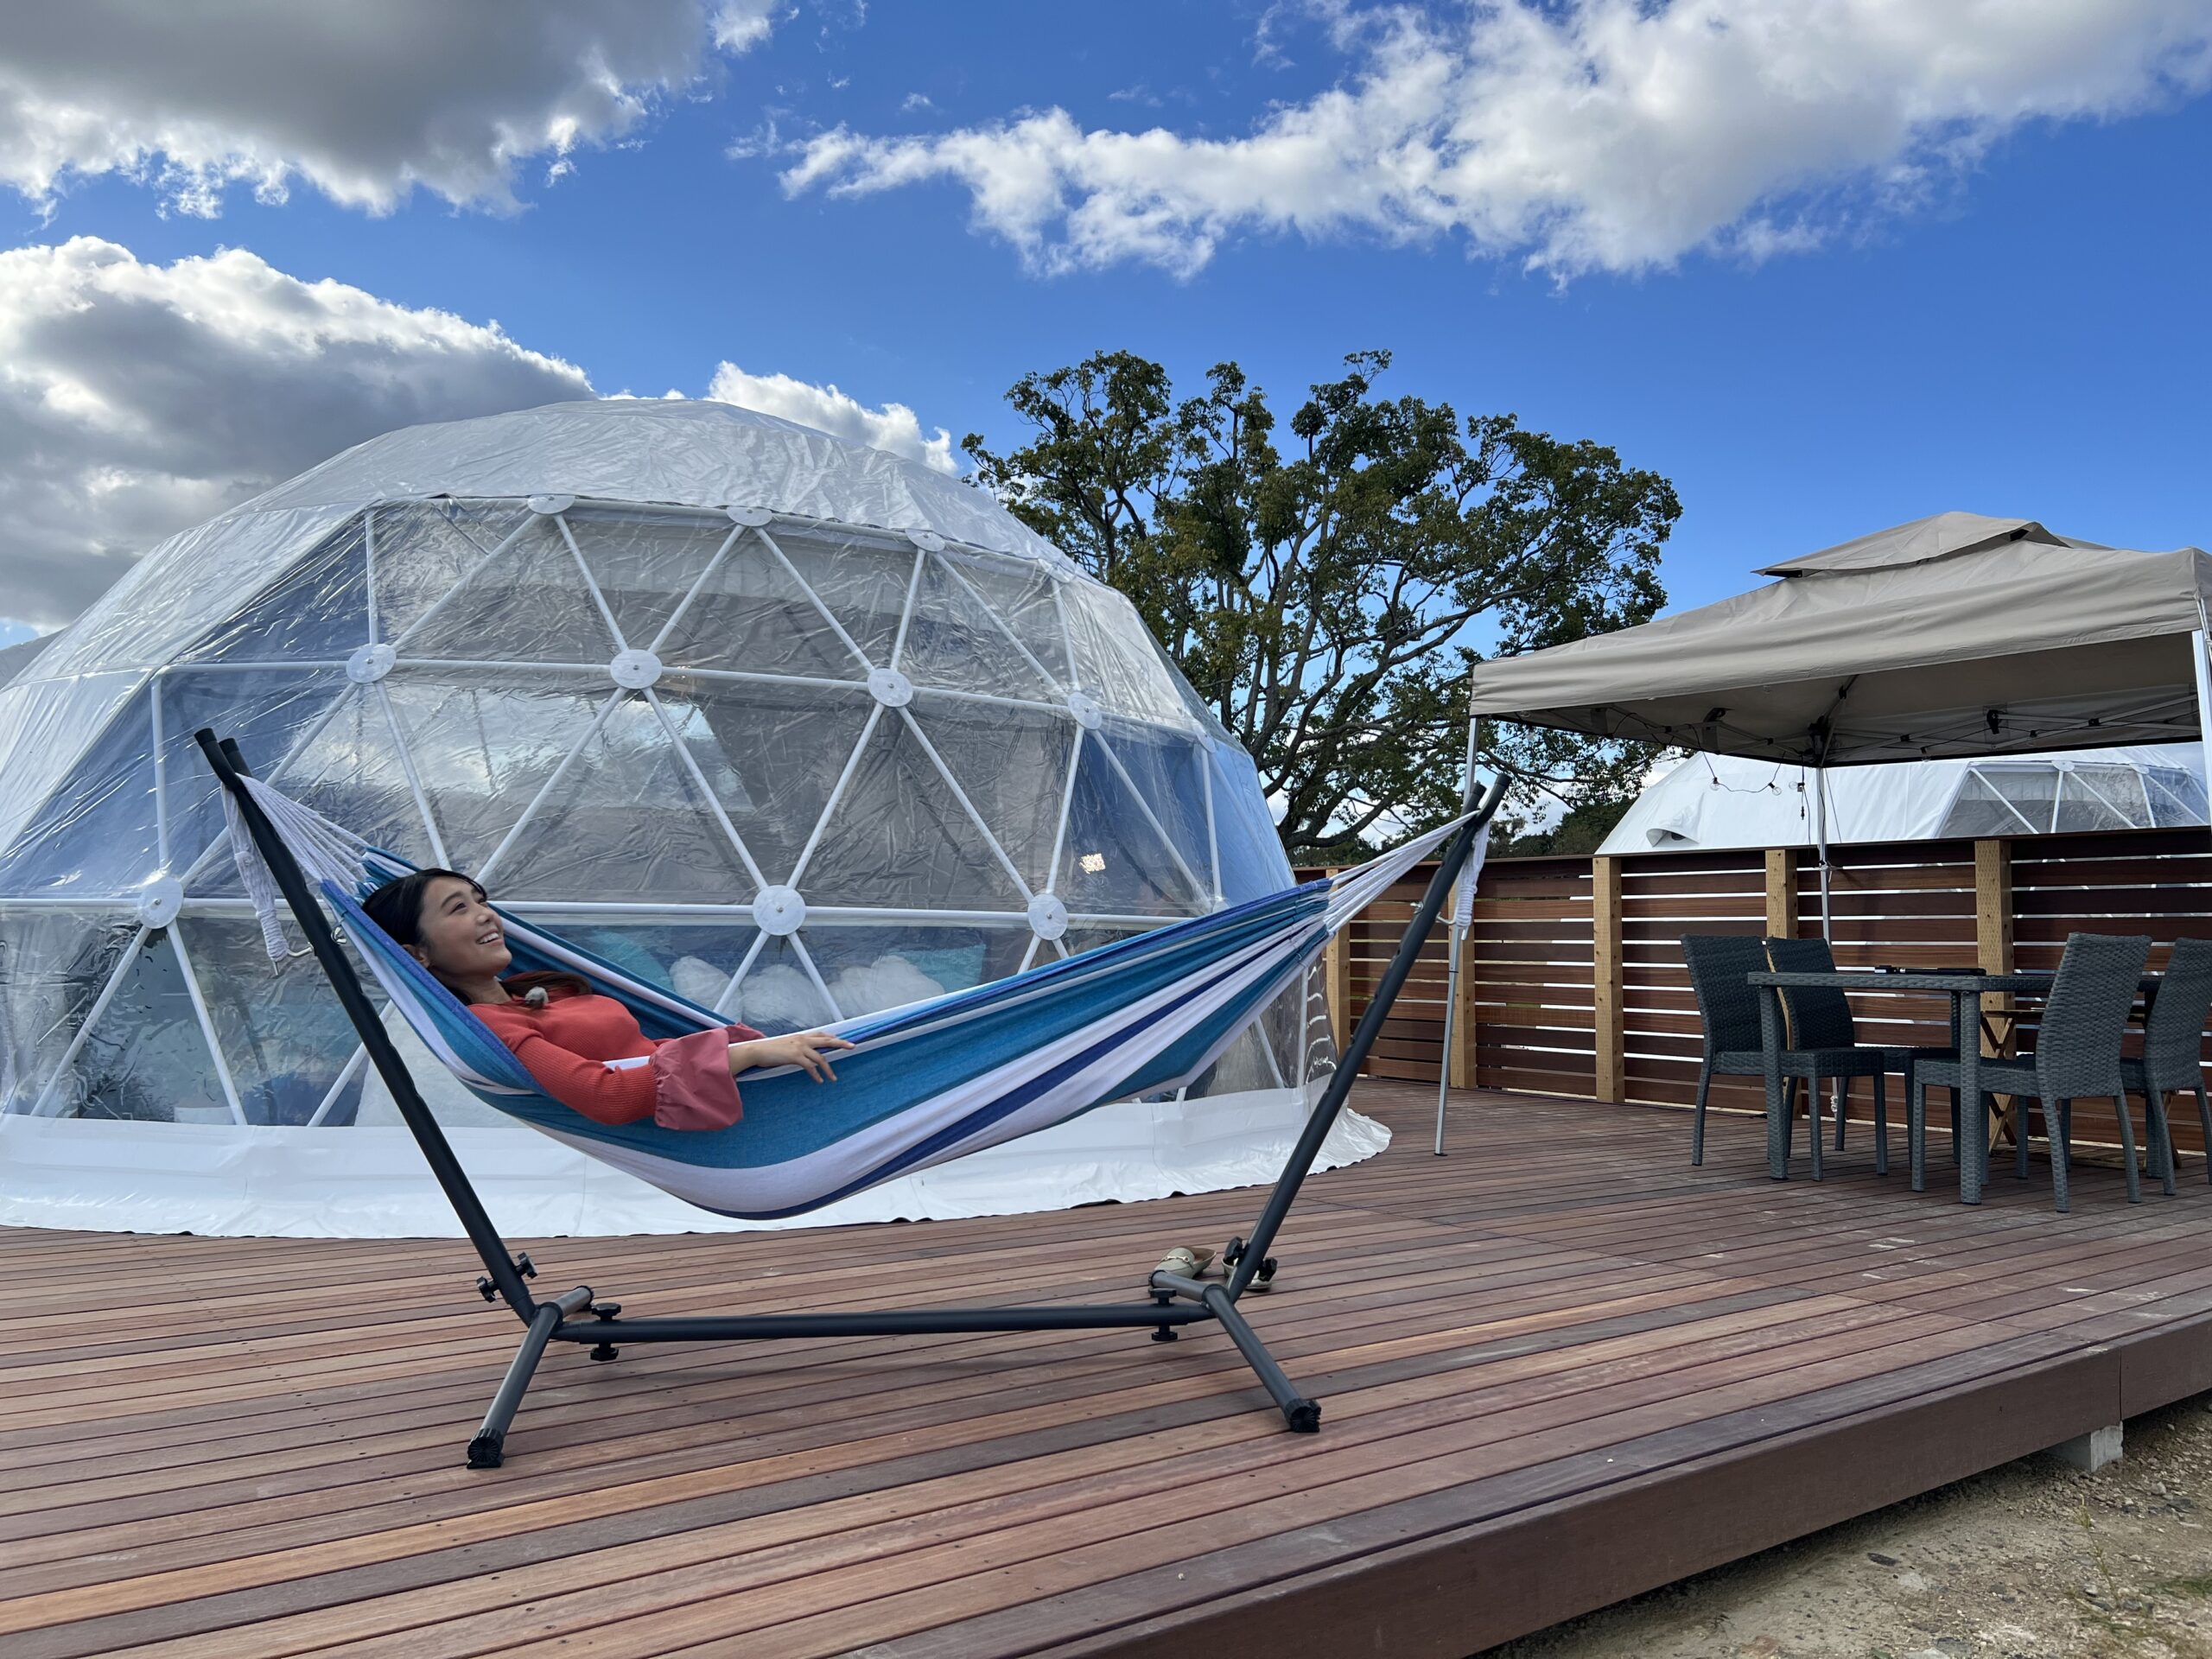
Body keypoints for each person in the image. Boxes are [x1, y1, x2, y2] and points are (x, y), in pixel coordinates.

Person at [359, 868, 853, 1131]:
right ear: (417, 954)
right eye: (458, 909)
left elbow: (639, 1052)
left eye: (481, 901)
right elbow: (607, 1096)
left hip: (727, 1087)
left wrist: (747, 1050)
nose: (486, 914)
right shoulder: (494, 1027)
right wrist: (747, 1054)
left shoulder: (533, 991)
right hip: (711, 1122)